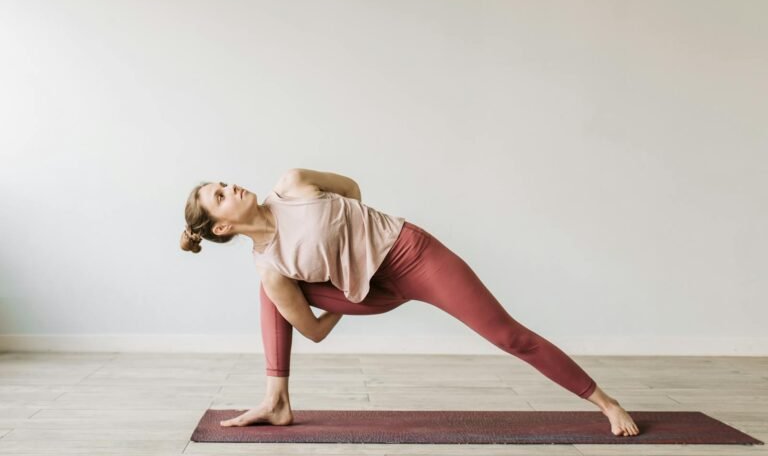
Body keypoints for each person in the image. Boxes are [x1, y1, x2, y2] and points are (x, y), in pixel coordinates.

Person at [180, 168, 639, 436]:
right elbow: (314, 331)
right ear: (221, 228)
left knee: (508, 334)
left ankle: (606, 402)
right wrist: (351, 287)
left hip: (412, 254)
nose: (232, 186)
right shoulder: (272, 266)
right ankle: (275, 402)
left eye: (224, 182)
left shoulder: (293, 184)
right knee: (270, 284)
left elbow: (353, 190)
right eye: (220, 196)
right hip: (371, 292)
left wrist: (352, 247)